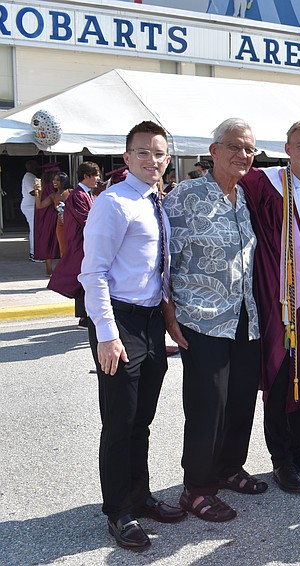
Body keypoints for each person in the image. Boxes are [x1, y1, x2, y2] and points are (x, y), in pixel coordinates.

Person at [79, 121, 187, 551]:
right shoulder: (114, 202)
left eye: (159, 153)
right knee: (119, 422)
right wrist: (106, 335)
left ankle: (139, 496)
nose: (152, 160)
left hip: (150, 321)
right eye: (143, 152)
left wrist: (168, 319)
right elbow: (94, 272)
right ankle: (118, 512)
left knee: (142, 420)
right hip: (119, 323)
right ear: (127, 158)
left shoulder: (155, 202)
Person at [162, 118, 265, 523]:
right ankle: (198, 488)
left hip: (243, 315)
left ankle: (228, 468)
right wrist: (168, 313)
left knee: (240, 398)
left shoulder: (243, 198)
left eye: (249, 150)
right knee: (209, 405)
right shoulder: (186, 196)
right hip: (200, 317)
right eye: (235, 147)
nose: (242, 155)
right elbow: (163, 258)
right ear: (214, 151)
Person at [239, 120, 300, 495]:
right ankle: (280, 459)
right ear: (286, 148)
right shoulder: (264, 184)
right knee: (280, 378)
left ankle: (298, 451)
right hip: (278, 299)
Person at [47, 161, 100, 326]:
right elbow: (86, 219)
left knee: (84, 278)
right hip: (80, 243)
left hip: (84, 242)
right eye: (95, 175)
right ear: (86, 176)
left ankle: (85, 315)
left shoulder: (86, 194)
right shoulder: (78, 195)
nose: (98, 179)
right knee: (83, 278)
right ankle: (84, 316)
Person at [33, 166, 60, 275]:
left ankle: (48, 269)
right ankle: (51, 270)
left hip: (44, 216)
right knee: (55, 242)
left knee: (47, 241)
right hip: (52, 216)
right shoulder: (51, 187)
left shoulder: (43, 186)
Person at [51, 172, 74, 257]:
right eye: (54, 179)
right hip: (61, 223)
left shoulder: (71, 192)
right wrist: (37, 193)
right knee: (63, 247)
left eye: (58, 180)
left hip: (72, 222)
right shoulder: (53, 195)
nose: (54, 181)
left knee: (73, 245)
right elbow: (40, 206)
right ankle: (65, 267)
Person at [20, 160, 40, 261]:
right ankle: (34, 253)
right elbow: (32, 192)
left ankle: (35, 252)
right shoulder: (29, 176)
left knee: (35, 229)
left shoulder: (32, 176)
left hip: (32, 205)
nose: (37, 167)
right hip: (30, 206)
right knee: (34, 230)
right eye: (35, 165)